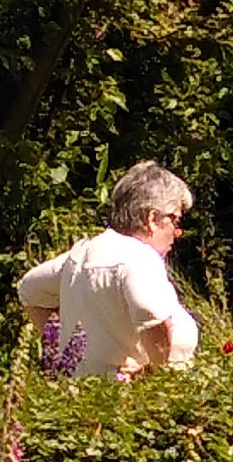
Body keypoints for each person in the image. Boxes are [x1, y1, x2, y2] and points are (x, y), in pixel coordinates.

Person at [18, 161, 200, 381]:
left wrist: (62, 352)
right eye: (175, 219)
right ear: (152, 219)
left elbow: (29, 289)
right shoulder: (139, 257)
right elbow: (150, 313)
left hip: (81, 392)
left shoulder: (82, 254)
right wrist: (155, 372)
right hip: (133, 401)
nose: (178, 232)